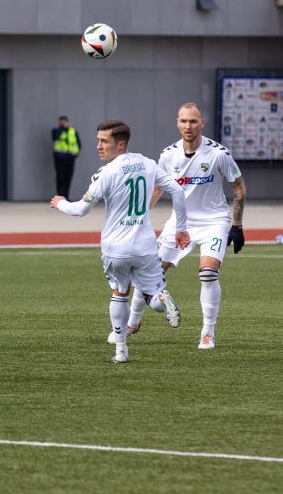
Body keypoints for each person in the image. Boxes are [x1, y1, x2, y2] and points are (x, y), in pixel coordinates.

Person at [50, 120, 190, 364]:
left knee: (120, 293)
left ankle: (121, 352)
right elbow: (177, 192)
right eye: (98, 140)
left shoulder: (107, 173)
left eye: (104, 141)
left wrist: (59, 203)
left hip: (115, 248)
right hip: (145, 245)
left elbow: (81, 210)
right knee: (154, 294)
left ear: (121, 144)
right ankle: (162, 299)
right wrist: (180, 229)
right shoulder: (148, 164)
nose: (98, 146)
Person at [129, 103, 247, 350]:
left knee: (207, 273)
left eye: (193, 121)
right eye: (183, 121)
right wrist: (140, 217)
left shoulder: (218, 153)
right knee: (148, 273)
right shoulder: (168, 155)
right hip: (179, 222)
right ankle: (133, 322)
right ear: (177, 123)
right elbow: (159, 188)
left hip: (214, 221)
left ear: (202, 123)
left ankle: (207, 333)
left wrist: (237, 224)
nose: (188, 126)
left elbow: (238, 187)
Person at [52, 116, 80, 200]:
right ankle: (60, 197)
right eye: (61, 122)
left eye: (64, 122)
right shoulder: (56, 131)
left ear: (68, 122)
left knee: (68, 178)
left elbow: (78, 144)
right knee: (60, 178)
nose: (63, 123)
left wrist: (75, 155)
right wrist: (61, 128)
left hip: (70, 159)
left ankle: (66, 197)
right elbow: (55, 137)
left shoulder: (73, 131)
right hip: (59, 159)